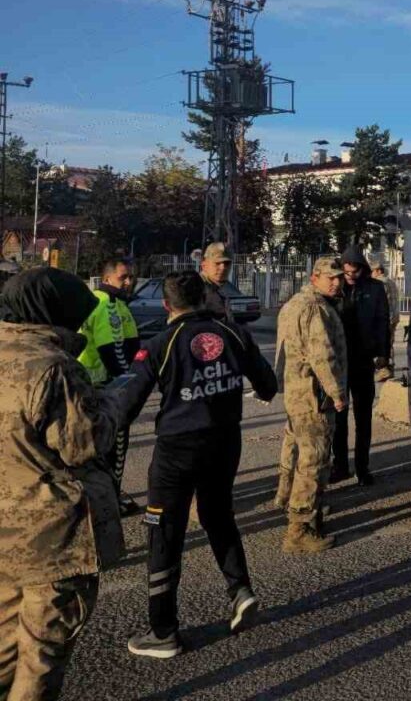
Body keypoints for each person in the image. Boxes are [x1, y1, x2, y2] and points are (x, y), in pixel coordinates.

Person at [0, 268, 149, 698]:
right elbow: (85, 445)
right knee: (41, 655)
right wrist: (116, 401)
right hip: (51, 541)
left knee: (4, 649)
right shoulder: (53, 368)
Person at [124, 271, 277, 659]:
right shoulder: (234, 334)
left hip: (177, 449)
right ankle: (240, 589)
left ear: (166, 304)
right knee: (218, 514)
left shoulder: (162, 342)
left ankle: (163, 632)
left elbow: (127, 404)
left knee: (164, 531)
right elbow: (268, 386)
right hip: (225, 442)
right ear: (205, 298)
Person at [275, 256, 347, 553]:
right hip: (314, 396)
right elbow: (323, 357)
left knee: (296, 452)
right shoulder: (315, 308)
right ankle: (299, 529)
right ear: (314, 276)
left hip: (296, 393)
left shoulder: (293, 303)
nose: (337, 282)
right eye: (330, 277)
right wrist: (337, 392)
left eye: (339, 277)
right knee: (314, 459)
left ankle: (294, 504)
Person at [78, 256, 142, 515]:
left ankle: (101, 497)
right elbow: (112, 350)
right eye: (122, 277)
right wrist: (127, 385)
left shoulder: (102, 301)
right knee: (114, 446)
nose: (128, 282)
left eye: (130, 277)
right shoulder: (107, 305)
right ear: (106, 279)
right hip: (104, 386)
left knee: (96, 448)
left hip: (91, 385)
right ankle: (110, 502)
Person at [334, 246, 390, 486]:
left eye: (355, 272)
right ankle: (340, 466)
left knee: (363, 418)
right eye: (346, 272)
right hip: (339, 362)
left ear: (362, 269)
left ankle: (362, 467)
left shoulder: (375, 289)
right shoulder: (334, 288)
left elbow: (382, 321)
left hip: (363, 361)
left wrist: (383, 354)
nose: (350, 276)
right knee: (339, 418)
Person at [372, 260, 401, 373]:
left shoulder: (380, 282)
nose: (371, 274)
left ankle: (383, 368)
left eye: (372, 271)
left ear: (378, 271)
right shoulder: (391, 281)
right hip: (394, 316)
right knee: (390, 341)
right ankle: (390, 365)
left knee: (382, 343)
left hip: (385, 318)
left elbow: (381, 302)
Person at [199, 242, 233, 321]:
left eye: (227, 263)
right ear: (204, 266)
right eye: (217, 263)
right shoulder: (196, 289)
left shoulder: (217, 289)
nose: (223, 268)